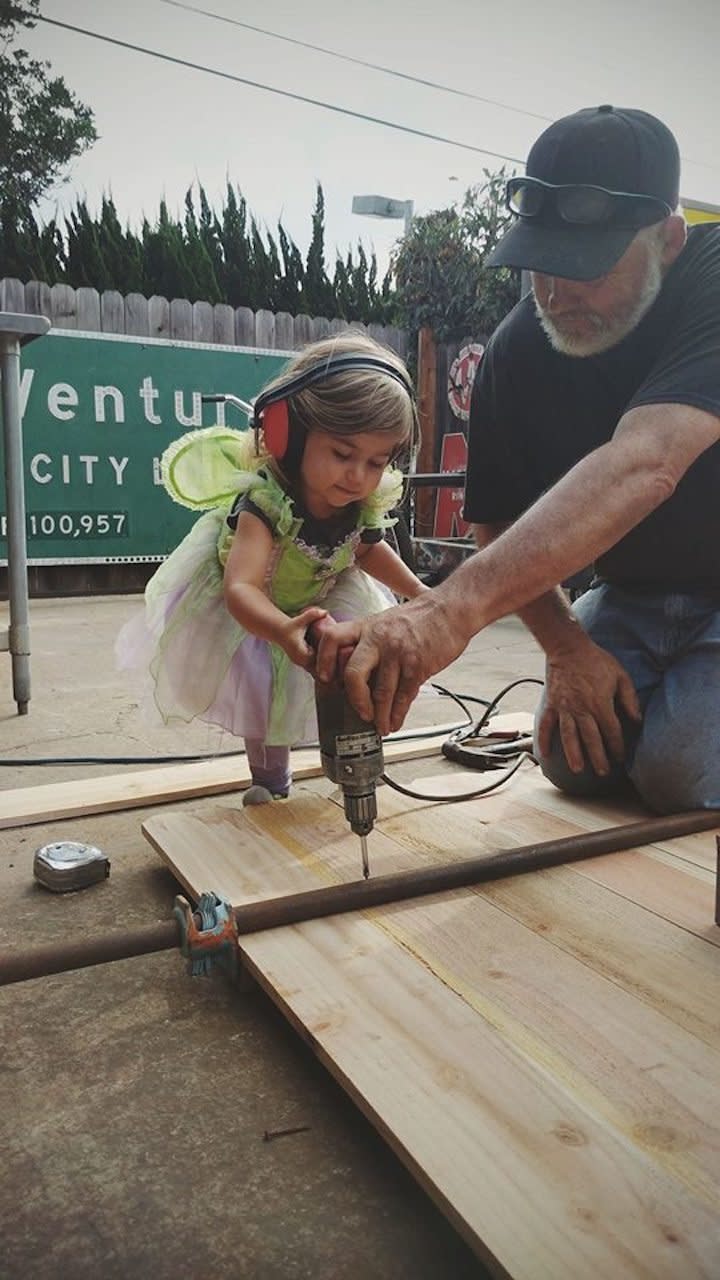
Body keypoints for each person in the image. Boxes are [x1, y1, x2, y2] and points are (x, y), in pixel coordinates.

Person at [316, 104, 720, 814]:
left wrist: (445, 613)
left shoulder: (714, 281)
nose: (556, 294)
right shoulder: (518, 350)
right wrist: (567, 649)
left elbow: (649, 460)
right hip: (633, 596)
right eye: (543, 264)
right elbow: (497, 523)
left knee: (679, 776)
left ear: (668, 239)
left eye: (587, 268)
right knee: (574, 760)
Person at [117, 333, 427, 803]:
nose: (358, 476)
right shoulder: (265, 503)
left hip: (323, 603)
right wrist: (281, 629)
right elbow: (240, 586)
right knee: (263, 691)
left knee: (355, 664)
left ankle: (353, 765)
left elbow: (367, 550)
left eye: (376, 463)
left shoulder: (359, 502)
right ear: (288, 434)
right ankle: (270, 781)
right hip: (260, 614)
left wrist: (423, 595)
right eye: (343, 455)